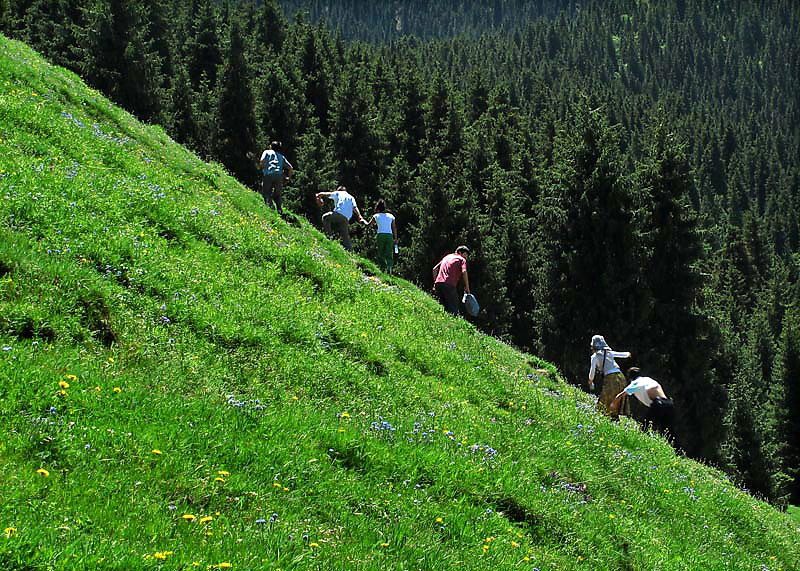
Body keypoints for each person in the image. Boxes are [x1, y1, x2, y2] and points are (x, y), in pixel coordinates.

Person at [610, 368, 675, 438]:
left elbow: (620, 395)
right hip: (669, 404)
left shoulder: (635, 382)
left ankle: (638, 441)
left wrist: (612, 405)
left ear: (630, 378)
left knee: (644, 427)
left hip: (658, 404)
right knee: (668, 431)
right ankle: (674, 447)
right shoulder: (648, 379)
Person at [587, 334, 631, 419]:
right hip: (621, 377)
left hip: (611, 379)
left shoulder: (595, 357)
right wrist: (629, 354)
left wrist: (590, 381)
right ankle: (614, 420)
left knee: (604, 401)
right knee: (616, 401)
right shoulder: (609, 353)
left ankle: (603, 420)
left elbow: (592, 372)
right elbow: (623, 355)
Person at [315, 186, 368, 251]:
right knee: (345, 235)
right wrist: (360, 216)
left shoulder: (338, 193)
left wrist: (319, 195)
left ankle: (329, 237)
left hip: (339, 213)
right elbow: (355, 207)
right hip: (347, 218)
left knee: (325, 217)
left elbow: (327, 194)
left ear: (339, 190)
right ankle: (350, 250)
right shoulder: (351, 197)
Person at [432, 246, 471, 316]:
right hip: (449, 285)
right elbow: (464, 271)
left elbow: (434, 269)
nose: (466, 257)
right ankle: (452, 325)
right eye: (465, 254)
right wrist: (467, 288)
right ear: (459, 252)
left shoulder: (447, 257)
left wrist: (435, 283)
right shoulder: (461, 259)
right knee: (454, 309)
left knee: (445, 307)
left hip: (438, 284)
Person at [259, 141, 293, 214]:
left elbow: (262, 161)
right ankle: (279, 210)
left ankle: (271, 209)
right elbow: (290, 168)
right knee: (277, 195)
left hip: (269, 174)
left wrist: (263, 168)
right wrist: (288, 178)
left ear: (271, 146)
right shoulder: (281, 156)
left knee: (266, 192)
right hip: (279, 176)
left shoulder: (266, 152)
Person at [366, 199, 398, 273]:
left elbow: (369, 224)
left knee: (381, 252)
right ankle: (389, 267)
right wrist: (395, 238)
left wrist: (363, 221)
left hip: (380, 234)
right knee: (389, 252)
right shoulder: (391, 216)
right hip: (389, 235)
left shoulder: (376, 216)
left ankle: (382, 267)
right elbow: (394, 227)